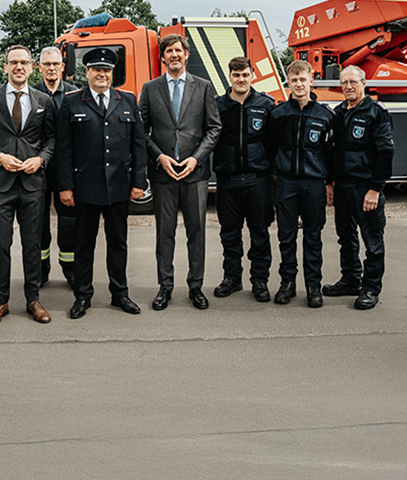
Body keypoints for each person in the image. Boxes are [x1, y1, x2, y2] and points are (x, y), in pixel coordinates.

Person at [56, 47, 147, 319]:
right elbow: (64, 148)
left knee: (118, 243)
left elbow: (138, 145)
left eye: (106, 70)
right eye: (96, 69)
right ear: (87, 73)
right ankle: (83, 296)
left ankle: (120, 293)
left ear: (112, 73)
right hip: (85, 187)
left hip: (119, 185)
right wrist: (65, 186)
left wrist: (138, 181)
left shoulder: (128, 100)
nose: (102, 74)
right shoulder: (72, 102)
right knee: (84, 245)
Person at [0, 45, 55, 327]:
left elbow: (52, 140)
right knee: (0, 245)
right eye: (13, 62)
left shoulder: (43, 100)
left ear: (32, 67)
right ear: (5, 66)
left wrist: (40, 160)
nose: (19, 67)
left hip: (31, 184)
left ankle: (33, 299)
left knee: (33, 245)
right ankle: (0, 302)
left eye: (24, 62)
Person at [138, 33, 221, 311]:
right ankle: (165, 286)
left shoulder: (204, 87)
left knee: (196, 231)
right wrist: (159, 156)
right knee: (165, 232)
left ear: (186, 55)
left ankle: (196, 286)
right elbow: (141, 131)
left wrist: (196, 160)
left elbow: (214, 128)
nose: (174, 55)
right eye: (169, 51)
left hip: (194, 174)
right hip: (163, 174)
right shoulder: (150, 89)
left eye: (179, 50)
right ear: (162, 57)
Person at [323, 65, 394, 309]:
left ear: (364, 83)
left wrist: (375, 189)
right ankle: (351, 279)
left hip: (366, 188)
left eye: (353, 82)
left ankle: (371, 288)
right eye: (344, 83)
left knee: (372, 241)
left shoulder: (376, 112)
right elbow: (333, 151)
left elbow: (386, 152)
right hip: (342, 186)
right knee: (346, 238)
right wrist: (330, 183)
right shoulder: (339, 112)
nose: (348, 87)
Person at [213, 57, 276, 302]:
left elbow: (273, 141)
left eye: (245, 75)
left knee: (259, 232)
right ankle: (232, 278)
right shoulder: (218, 105)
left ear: (253, 76)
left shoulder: (266, 104)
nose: (241, 79)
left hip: (257, 179)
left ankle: (260, 281)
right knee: (229, 232)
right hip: (227, 178)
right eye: (236, 75)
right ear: (230, 76)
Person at [271, 60, 333, 308]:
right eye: (294, 80)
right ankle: (287, 284)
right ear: (289, 82)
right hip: (286, 183)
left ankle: (313, 286)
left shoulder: (326, 116)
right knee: (286, 237)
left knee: (313, 236)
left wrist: (329, 183)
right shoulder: (277, 114)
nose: (298, 84)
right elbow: (270, 148)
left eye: (302, 79)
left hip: (314, 184)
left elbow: (330, 153)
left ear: (311, 80)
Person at [32, 46, 77, 287]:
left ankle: (70, 269)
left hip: (64, 167)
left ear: (63, 66)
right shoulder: (29, 94)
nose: (51, 68)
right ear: (39, 67)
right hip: (37, 167)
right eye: (46, 64)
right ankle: (40, 271)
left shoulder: (74, 94)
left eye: (55, 64)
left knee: (69, 220)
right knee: (38, 222)